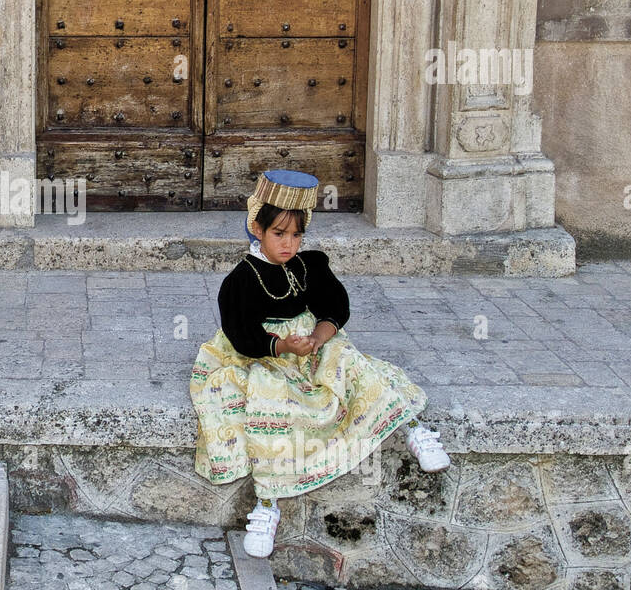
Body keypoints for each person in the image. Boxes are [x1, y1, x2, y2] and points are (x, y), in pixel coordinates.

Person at [189, 170, 449, 558]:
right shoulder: (240, 281)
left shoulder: (310, 266)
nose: (289, 244)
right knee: (269, 398)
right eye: (279, 234)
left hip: (310, 343)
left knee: (351, 362)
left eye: (296, 235)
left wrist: (318, 339)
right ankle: (266, 505)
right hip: (266, 354)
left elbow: (336, 308)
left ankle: (411, 429)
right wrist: (283, 347)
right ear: (257, 229)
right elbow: (241, 335)